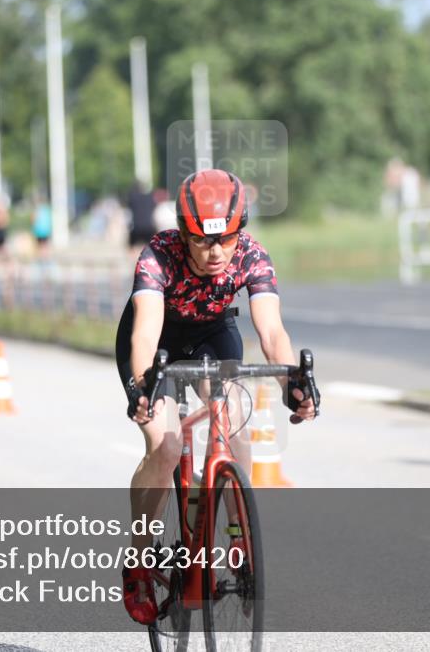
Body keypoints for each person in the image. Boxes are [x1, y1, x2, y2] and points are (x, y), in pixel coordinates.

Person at [115, 169, 317, 625]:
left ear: (239, 232)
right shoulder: (156, 257)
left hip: (211, 332)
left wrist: (293, 387)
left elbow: (271, 331)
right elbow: (145, 333)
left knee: (237, 417)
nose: (215, 253)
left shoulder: (252, 255)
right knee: (165, 446)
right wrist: (145, 385)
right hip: (158, 341)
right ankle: (141, 560)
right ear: (183, 234)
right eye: (203, 242)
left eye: (225, 240)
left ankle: (237, 534)